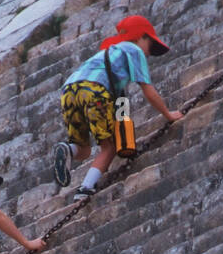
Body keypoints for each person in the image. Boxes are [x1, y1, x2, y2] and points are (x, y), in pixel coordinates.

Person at [54, 14, 184, 196]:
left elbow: (118, 102)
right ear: (141, 37)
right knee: (109, 147)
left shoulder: (106, 53)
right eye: (150, 46)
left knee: (83, 150)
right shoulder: (134, 51)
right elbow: (148, 90)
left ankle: (67, 149)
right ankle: (85, 188)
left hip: (68, 90)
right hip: (95, 90)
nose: (148, 53)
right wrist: (168, 115)